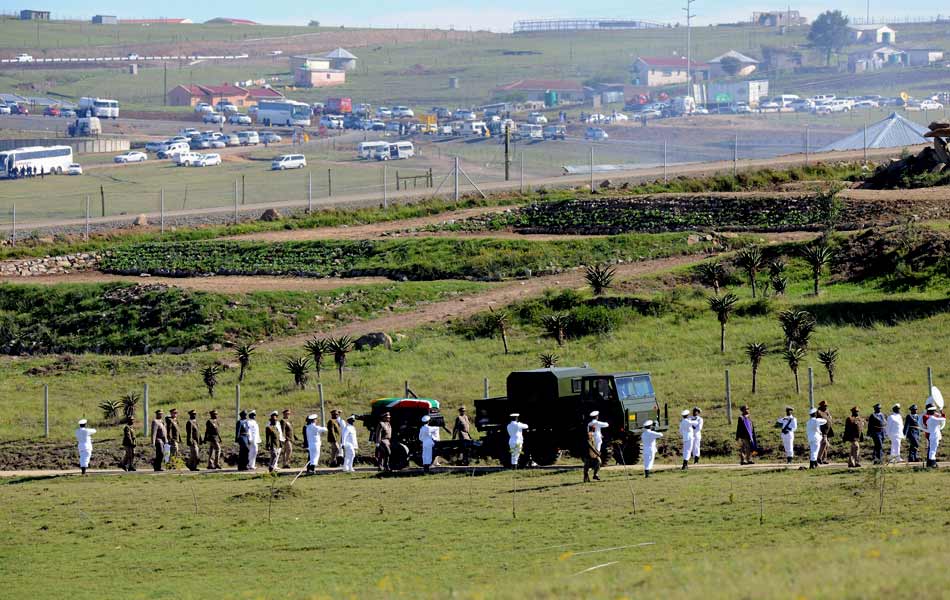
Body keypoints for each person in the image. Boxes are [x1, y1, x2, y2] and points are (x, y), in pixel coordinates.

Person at [816, 401, 834, 465]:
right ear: (821, 406)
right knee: (824, 444)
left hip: (828, 431)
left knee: (826, 446)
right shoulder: (818, 412)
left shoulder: (827, 412)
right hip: (822, 431)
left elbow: (830, 419)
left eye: (826, 405)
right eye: (824, 406)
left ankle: (824, 459)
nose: (826, 407)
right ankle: (819, 458)